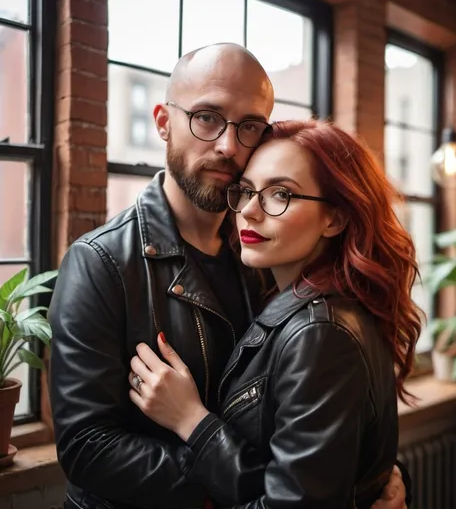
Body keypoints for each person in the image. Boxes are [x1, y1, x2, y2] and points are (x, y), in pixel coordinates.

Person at [49, 43, 410, 509]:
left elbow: (315, 418)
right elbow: (87, 446)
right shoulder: (100, 263)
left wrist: (368, 475)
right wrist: (262, 487)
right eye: (206, 117)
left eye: (250, 126)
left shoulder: (270, 255)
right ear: (163, 122)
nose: (228, 145)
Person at [128, 119, 423, 508]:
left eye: (280, 193)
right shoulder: (312, 304)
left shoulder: (321, 332)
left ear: (334, 218)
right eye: (247, 190)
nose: (249, 211)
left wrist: (191, 421)